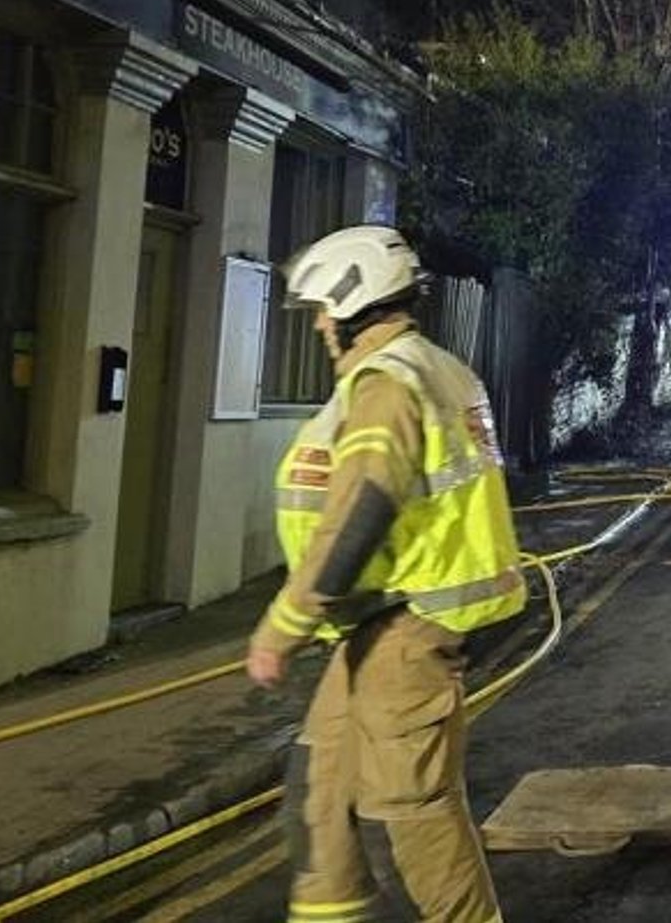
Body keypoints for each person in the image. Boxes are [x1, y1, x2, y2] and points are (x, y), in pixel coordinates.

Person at [246, 225, 526, 923]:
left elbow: (360, 510)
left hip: (408, 624)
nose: (317, 323)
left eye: (321, 309)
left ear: (351, 301)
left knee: (413, 809)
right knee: (321, 784)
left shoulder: (387, 383)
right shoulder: (431, 366)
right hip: (377, 623)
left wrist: (283, 625)